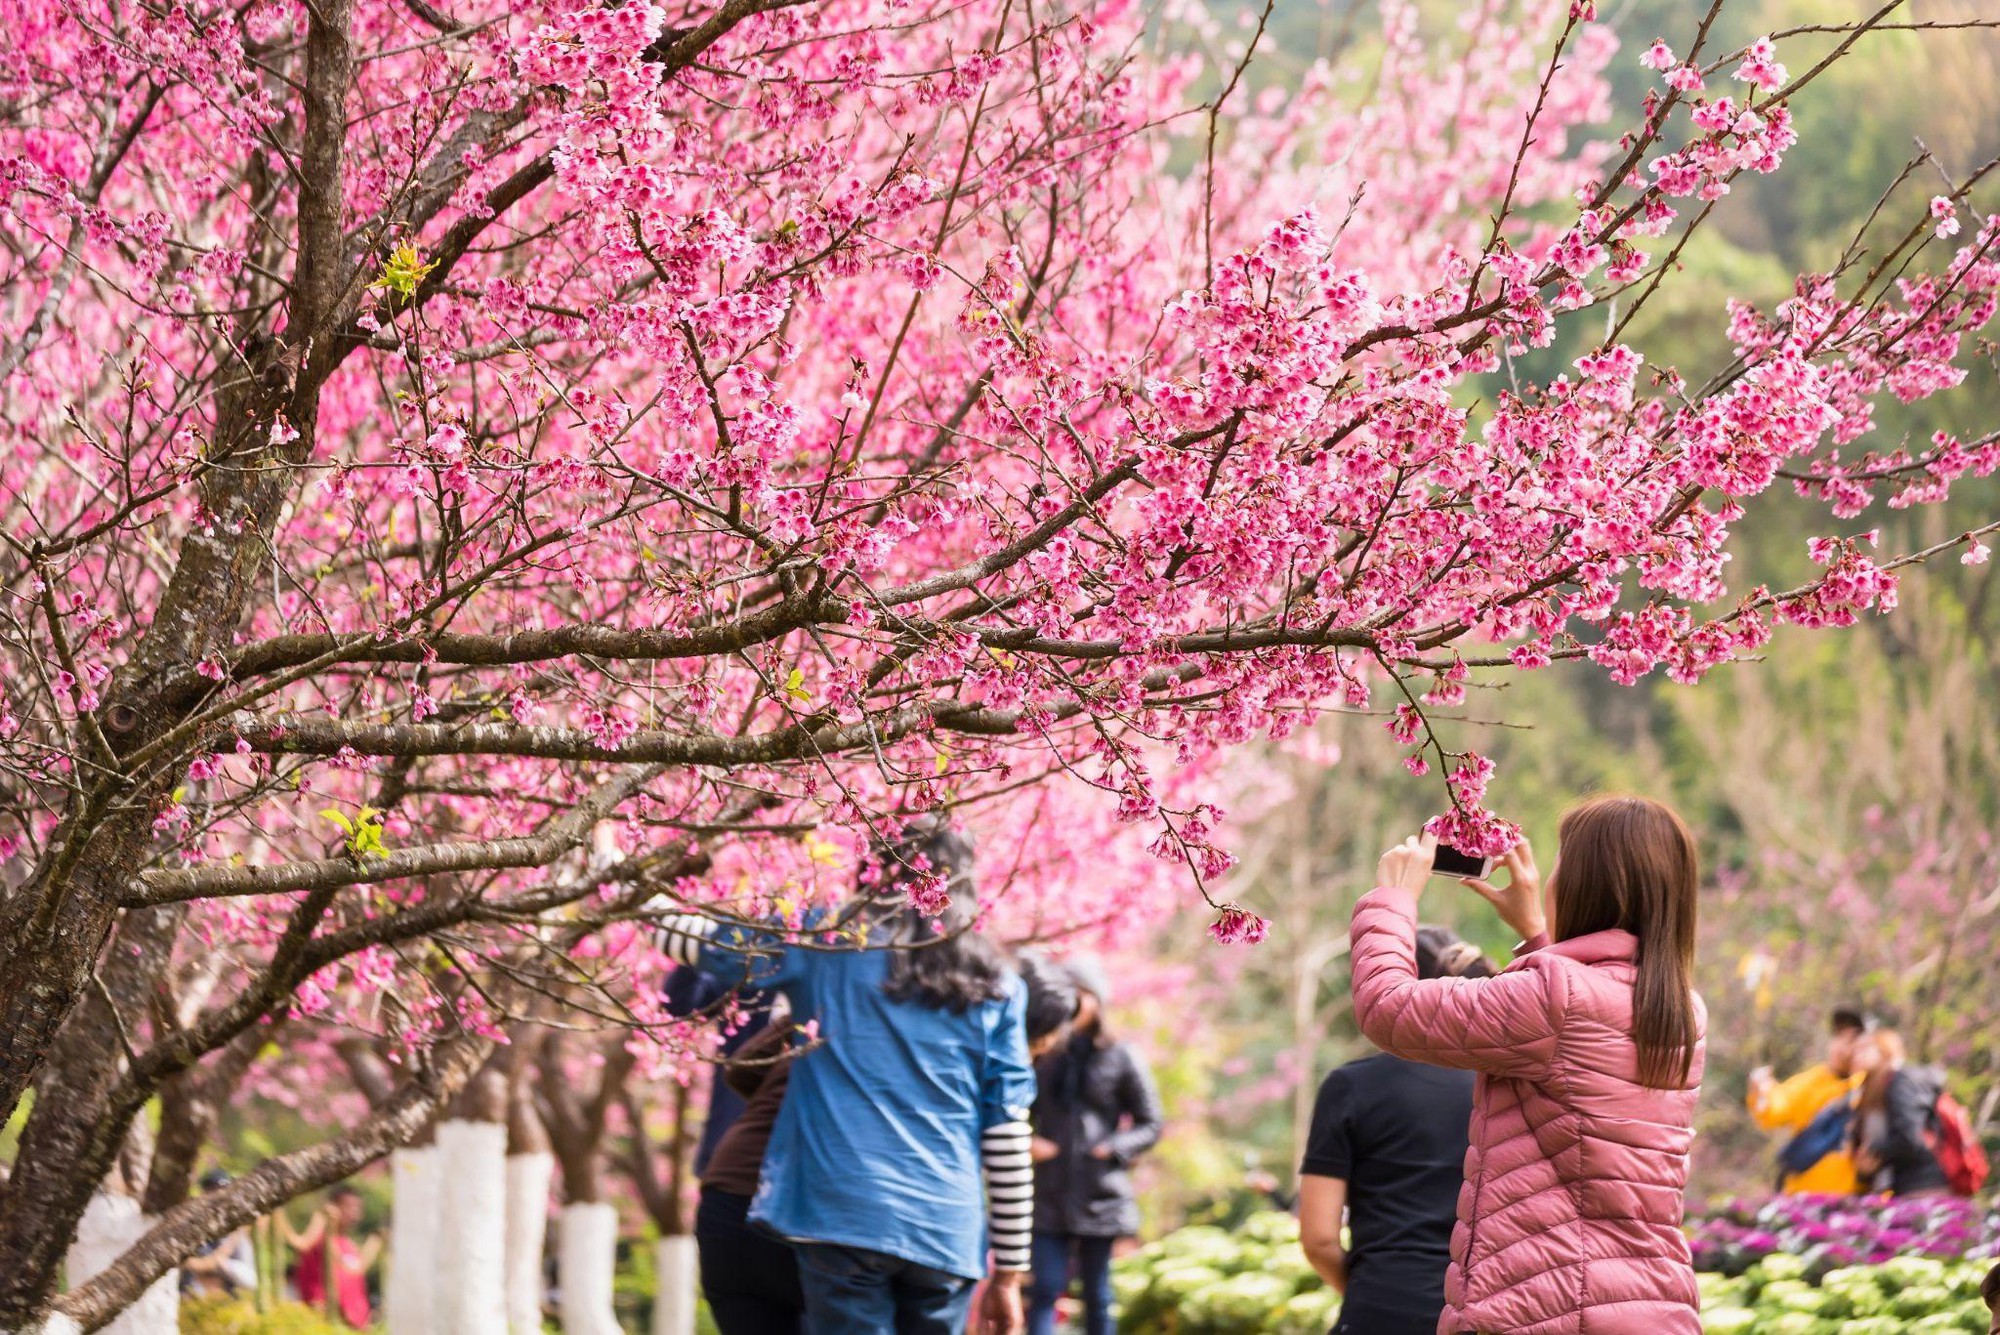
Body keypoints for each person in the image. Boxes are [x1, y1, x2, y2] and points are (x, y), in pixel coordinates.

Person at [660, 818, 1036, 1335]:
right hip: (946, 1229)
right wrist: (1011, 1274)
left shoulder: (830, 944)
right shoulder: (999, 986)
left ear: (870, 868)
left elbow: (713, 947)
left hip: (843, 1214)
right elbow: (1008, 1132)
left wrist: (631, 891)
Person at [1352, 795, 1707, 1335]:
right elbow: (1574, 1040)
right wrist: (1540, 935)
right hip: (1646, 1305)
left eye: (1563, 862)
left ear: (1588, 883)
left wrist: (1392, 900)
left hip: (1552, 1308)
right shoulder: (1679, 1009)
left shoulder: (1553, 1000)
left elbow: (1388, 1010)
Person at [693, 953, 1079, 1335]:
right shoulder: (970, 1048)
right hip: (829, 1217)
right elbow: (1000, 1142)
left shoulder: (848, 992)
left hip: (729, 1198)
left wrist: (799, 1107)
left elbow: (743, 1066)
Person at [1299, 926, 1496, 1335]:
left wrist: (1369, 1294)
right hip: (1483, 1311)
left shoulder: (1350, 1086)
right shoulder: (1503, 1086)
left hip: (1379, 1307)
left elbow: (1319, 1238)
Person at [1025, 957, 1163, 1335]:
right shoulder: (1045, 1052)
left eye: (1079, 994)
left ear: (1097, 999)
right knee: (1045, 1288)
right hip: (1048, 1192)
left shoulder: (1122, 1055)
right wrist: (1028, 1141)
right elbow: (1016, 1108)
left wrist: (1113, 1148)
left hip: (1100, 1194)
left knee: (1098, 1295)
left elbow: (1151, 1123)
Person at [1747, 1005, 1870, 1194]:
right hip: (1807, 1195)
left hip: (1854, 1196)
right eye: (1839, 1036)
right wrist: (1760, 1092)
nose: (1843, 1046)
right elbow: (1774, 1109)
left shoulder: (1869, 1085)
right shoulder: (1810, 1081)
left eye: (1852, 1039)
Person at [1848, 1027, 1951, 1197]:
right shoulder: (1869, 1090)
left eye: (1865, 1048)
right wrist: (1864, 1170)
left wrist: (1874, 1151)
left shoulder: (1900, 1082)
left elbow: (1909, 1137)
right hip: (1898, 1187)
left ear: (1884, 1050)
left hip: (1922, 1184)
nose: (1857, 1054)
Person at [283, 1184, 377, 1328]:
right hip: (323, 1322)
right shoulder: (317, 1241)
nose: (354, 1213)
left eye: (357, 1208)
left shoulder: (350, 1246)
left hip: (354, 1326)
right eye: (349, 1207)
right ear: (334, 1207)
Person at [181, 1169, 258, 1298]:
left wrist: (223, 1265)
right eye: (212, 1190)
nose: (217, 1195)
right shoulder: (190, 1228)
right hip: (190, 1300)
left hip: (225, 1303)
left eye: (221, 1190)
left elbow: (251, 1280)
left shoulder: (237, 1234)